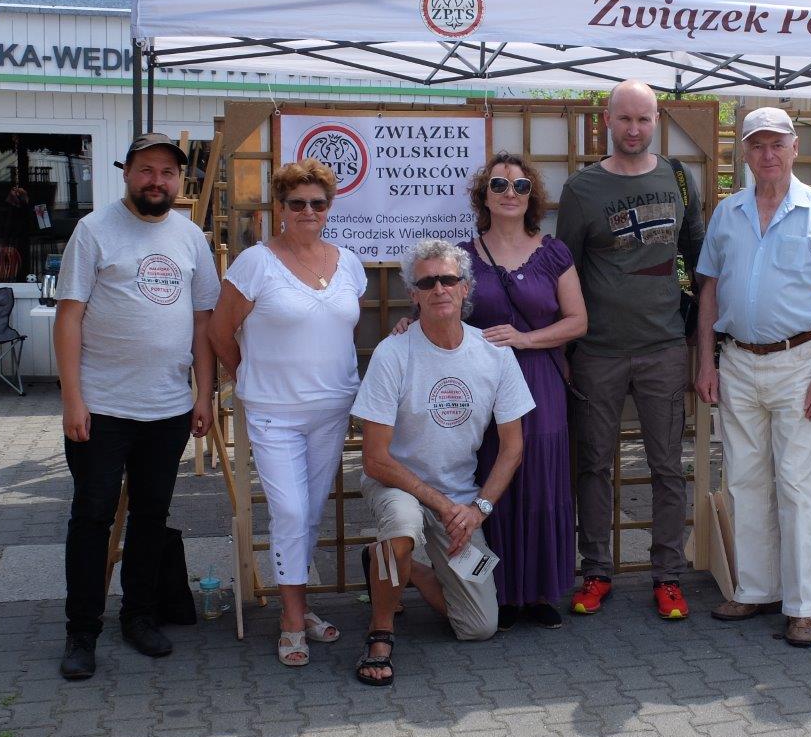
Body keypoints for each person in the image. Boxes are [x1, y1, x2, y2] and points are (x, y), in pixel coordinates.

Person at [55, 133, 219, 680]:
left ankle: (139, 616)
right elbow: (69, 317)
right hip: (101, 408)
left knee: (151, 517)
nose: (157, 181)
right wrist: (72, 399)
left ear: (179, 180)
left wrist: (203, 394)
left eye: (167, 172)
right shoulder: (94, 230)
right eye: (146, 170)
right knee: (92, 519)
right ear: (126, 172)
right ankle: (82, 631)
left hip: (167, 409)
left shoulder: (190, 237)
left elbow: (202, 322)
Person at [695, 107, 811, 647]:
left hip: (799, 363)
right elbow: (709, 291)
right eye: (757, 145)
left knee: (799, 485)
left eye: (777, 144)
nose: (767, 154)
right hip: (738, 361)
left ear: (794, 148)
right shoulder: (728, 213)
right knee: (743, 480)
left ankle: (803, 606)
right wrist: (707, 362)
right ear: (744, 152)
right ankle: (754, 589)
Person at [352, 239, 535, 686]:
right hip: (399, 484)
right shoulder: (393, 353)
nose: (439, 289)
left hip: (459, 501)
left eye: (449, 279)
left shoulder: (495, 354)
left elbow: (512, 448)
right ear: (413, 294)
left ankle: (398, 566)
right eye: (427, 282)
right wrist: (444, 505)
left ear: (465, 287)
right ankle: (380, 633)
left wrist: (477, 511)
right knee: (402, 525)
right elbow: (375, 459)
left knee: (479, 626)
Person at [556, 79, 705, 620]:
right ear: (607, 120)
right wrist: (565, 347)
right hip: (598, 351)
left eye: (644, 119)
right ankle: (596, 571)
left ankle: (667, 576)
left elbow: (699, 257)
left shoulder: (679, 178)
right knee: (593, 465)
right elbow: (564, 271)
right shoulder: (582, 189)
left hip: (663, 347)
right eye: (625, 118)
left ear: (657, 120)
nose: (635, 129)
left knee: (668, 466)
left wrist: (701, 337)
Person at [208, 159, 366, 667]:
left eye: (318, 203)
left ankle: (298, 606)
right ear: (280, 207)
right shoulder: (255, 263)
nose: (307, 211)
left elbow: (341, 330)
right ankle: (293, 619)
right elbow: (218, 333)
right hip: (274, 413)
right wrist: (250, 376)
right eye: (296, 203)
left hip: (332, 410)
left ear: (330, 207)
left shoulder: (349, 263)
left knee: (311, 512)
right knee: (291, 512)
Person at [461, 155, 586, 629]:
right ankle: (500, 592)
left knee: (541, 479)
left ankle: (538, 592)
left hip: (539, 379)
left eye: (519, 185)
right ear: (484, 195)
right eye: (498, 184)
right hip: (485, 384)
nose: (509, 193)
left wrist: (525, 339)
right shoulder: (463, 256)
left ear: (532, 196)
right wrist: (407, 325)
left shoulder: (553, 253)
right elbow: (442, 310)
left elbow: (578, 321)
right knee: (494, 476)